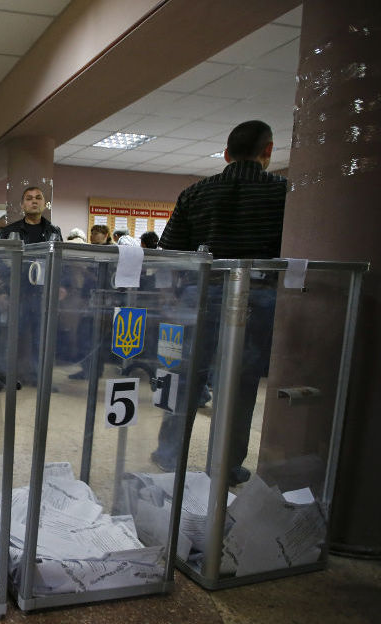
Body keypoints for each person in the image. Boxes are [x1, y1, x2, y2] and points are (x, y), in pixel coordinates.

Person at [151, 120, 286, 486]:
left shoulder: (197, 192)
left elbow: (170, 252)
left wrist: (172, 297)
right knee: (239, 384)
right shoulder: (283, 192)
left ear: (226, 154)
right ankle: (225, 465)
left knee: (184, 376)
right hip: (258, 295)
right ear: (268, 150)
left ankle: (168, 454)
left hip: (201, 293)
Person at [0, 186, 61, 385]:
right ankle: (8, 375)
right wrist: (1, 292)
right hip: (17, 292)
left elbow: (60, 262)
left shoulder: (54, 231)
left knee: (40, 338)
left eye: (38, 198)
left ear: (44, 203)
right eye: (29, 198)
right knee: (13, 336)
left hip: (43, 294)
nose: (34, 201)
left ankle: (37, 376)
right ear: (22, 204)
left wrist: (62, 286)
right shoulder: (10, 231)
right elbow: (0, 264)